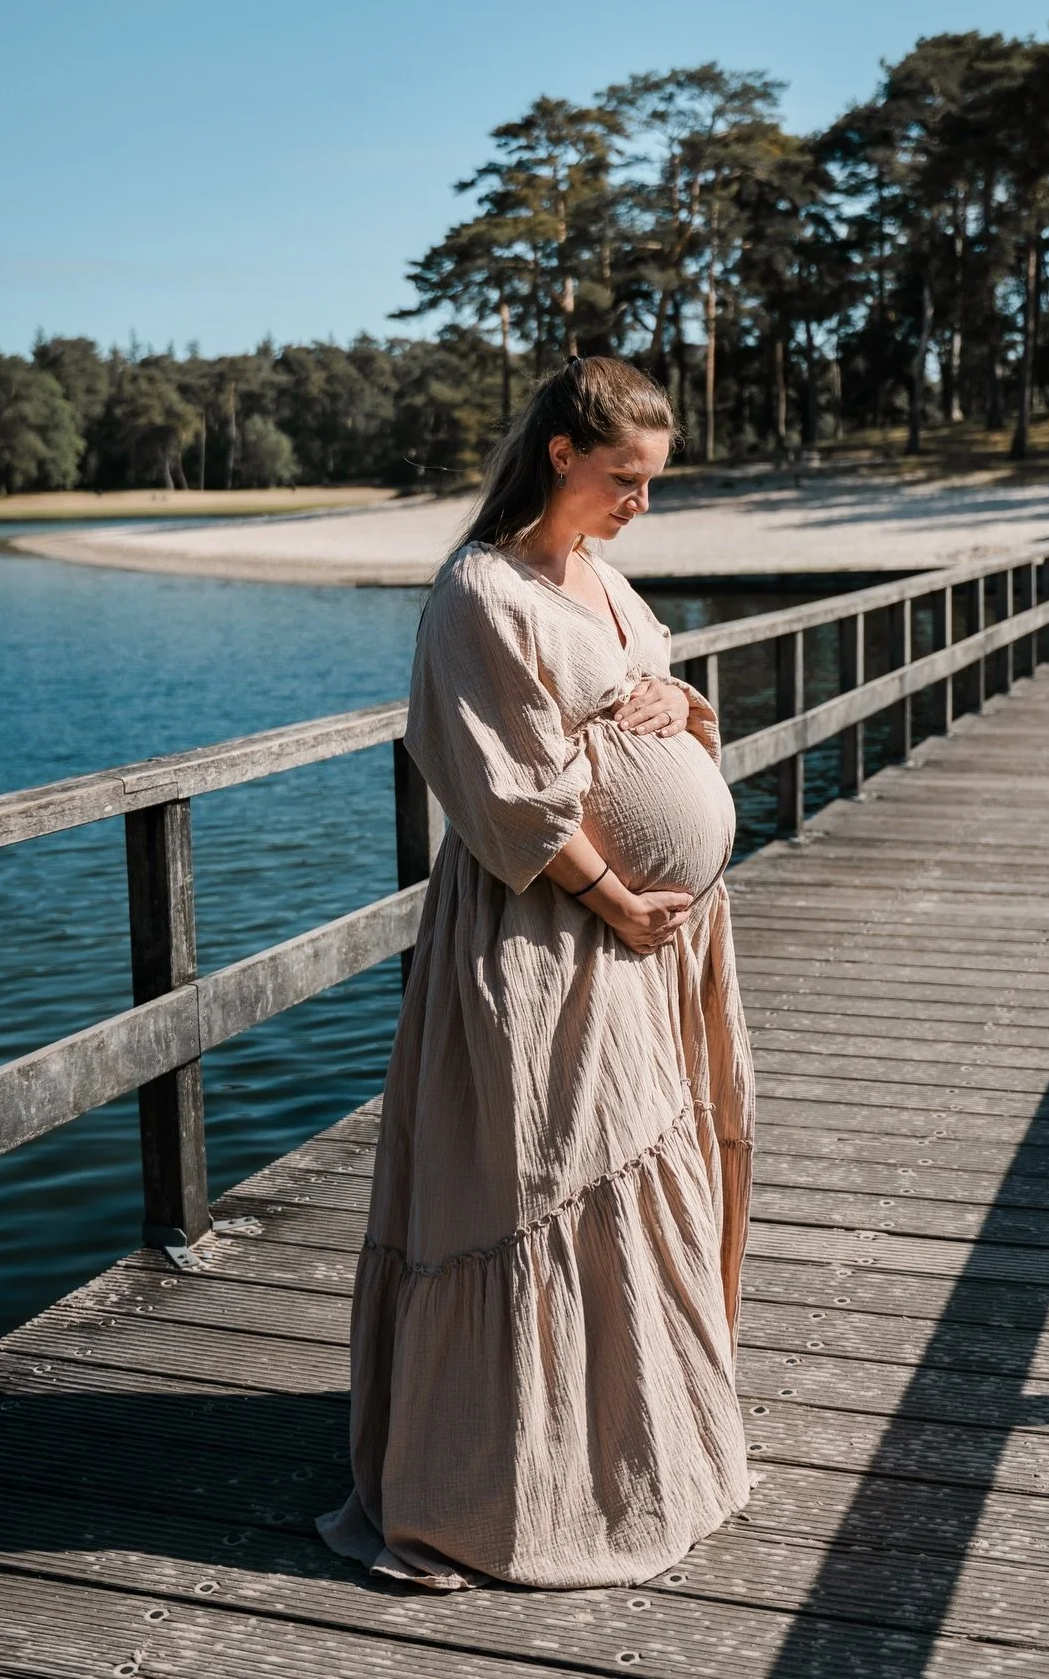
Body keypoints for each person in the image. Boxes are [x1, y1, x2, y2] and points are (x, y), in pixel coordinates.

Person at [317, 355, 753, 1590]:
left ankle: (641, 1448)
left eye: (654, 482)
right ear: (561, 455)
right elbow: (502, 789)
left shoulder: (600, 576)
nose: (642, 505)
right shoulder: (476, 595)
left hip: (647, 945)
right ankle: (499, 1488)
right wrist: (620, 901)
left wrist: (674, 703)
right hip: (551, 937)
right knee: (542, 1182)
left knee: (640, 1163)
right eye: (627, 478)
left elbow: (636, 695)